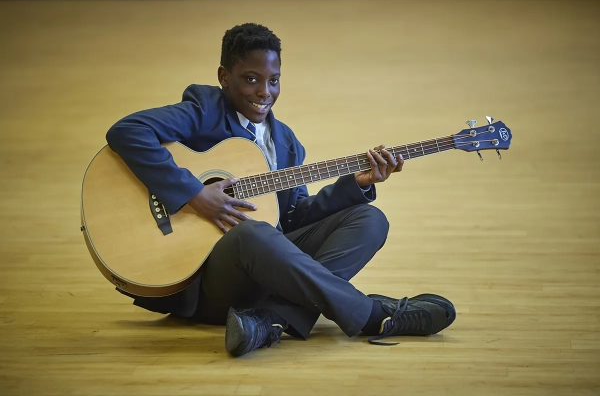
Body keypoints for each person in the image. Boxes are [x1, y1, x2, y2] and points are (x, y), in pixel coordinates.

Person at [106, 23, 456, 357]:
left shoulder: (285, 142)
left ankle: (269, 321)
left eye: (274, 81)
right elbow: (128, 131)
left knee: (370, 219)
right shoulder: (204, 110)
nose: (264, 92)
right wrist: (196, 196)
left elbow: (292, 219)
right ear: (224, 78)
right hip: (206, 279)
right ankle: (372, 315)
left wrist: (357, 184)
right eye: (251, 79)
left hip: (267, 273)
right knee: (251, 234)